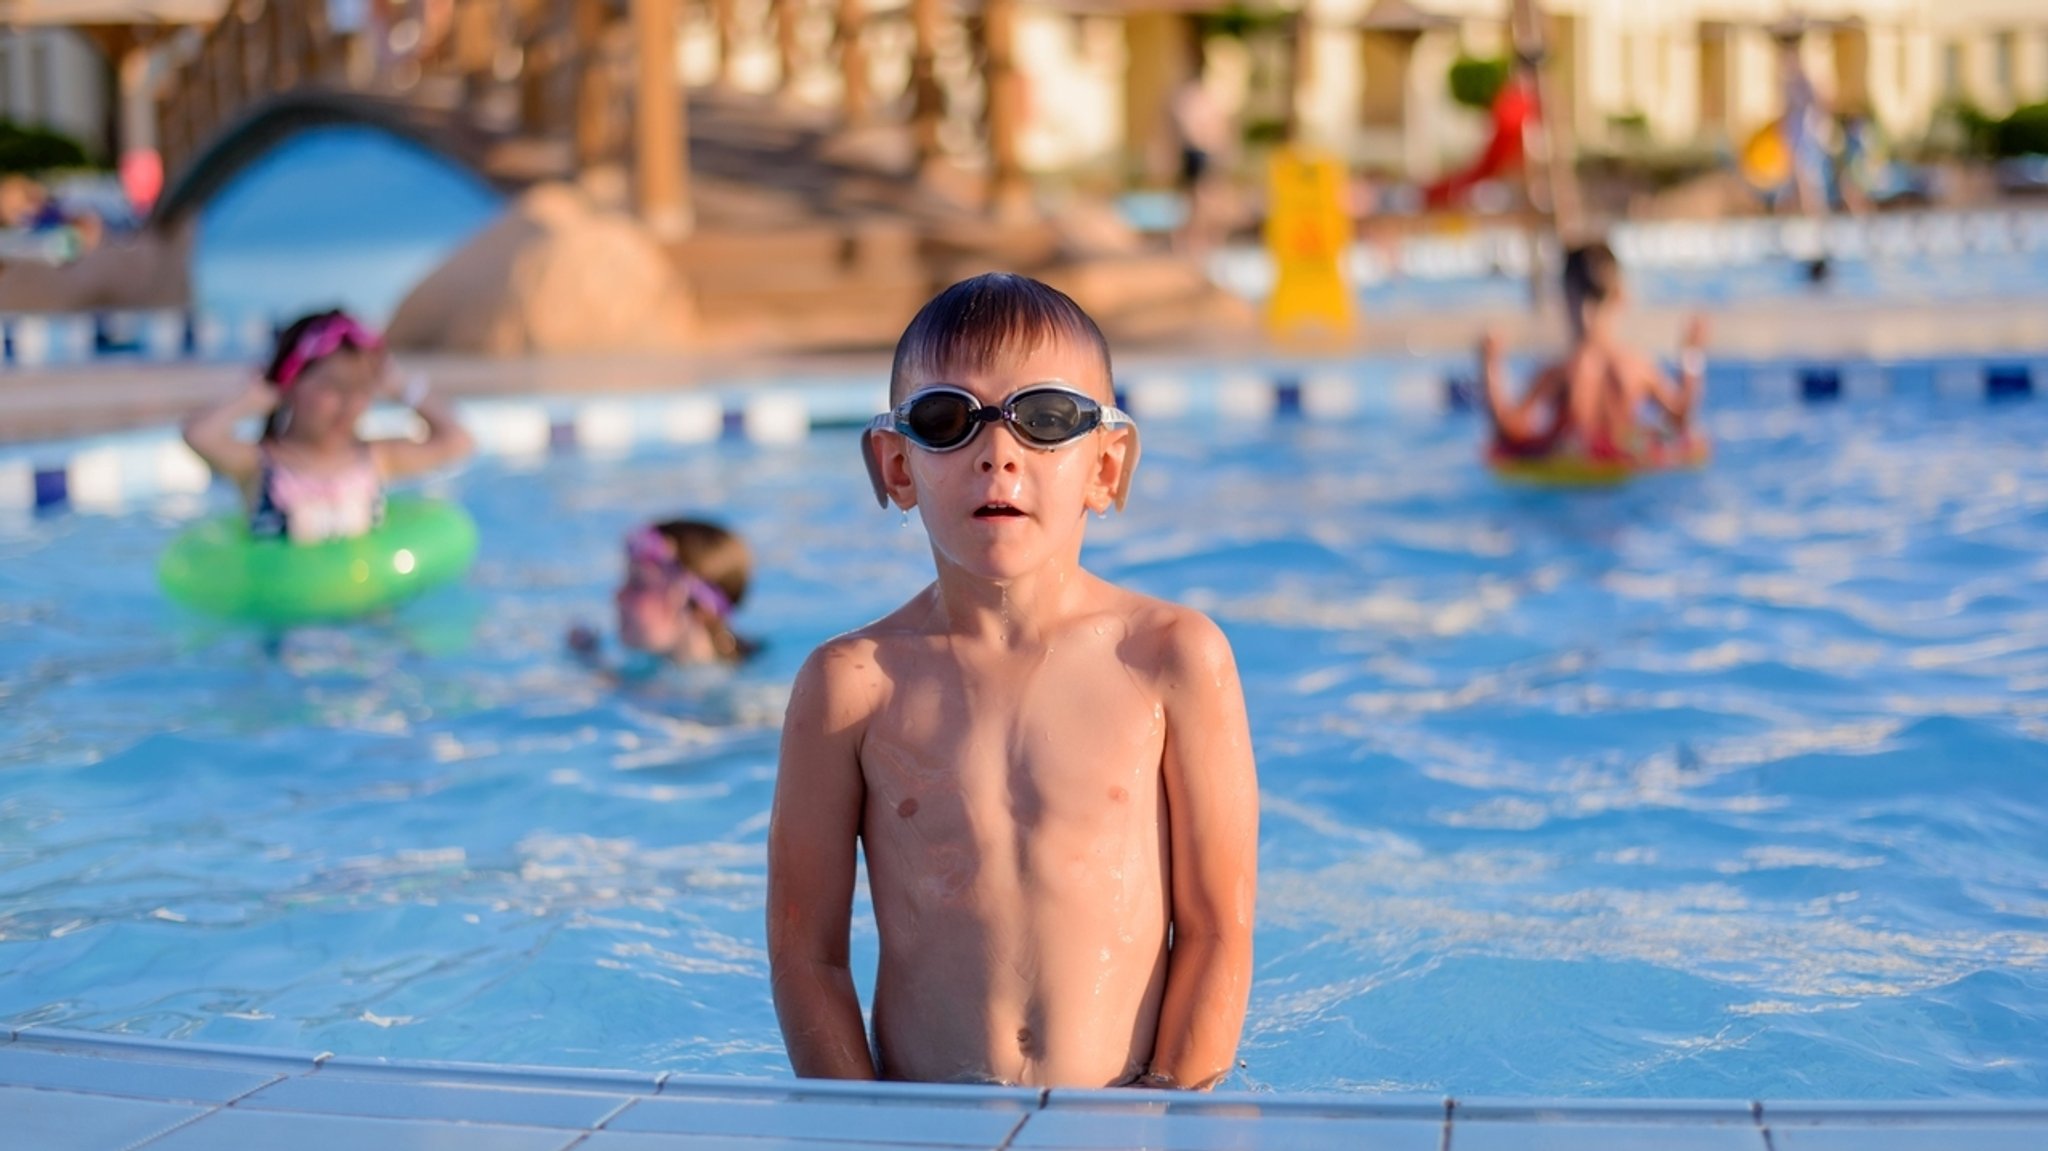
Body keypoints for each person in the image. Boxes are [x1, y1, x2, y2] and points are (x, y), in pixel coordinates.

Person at [766, 272, 1259, 1090]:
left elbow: (1218, 930)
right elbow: (804, 949)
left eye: (1046, 418)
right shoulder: (852, 686)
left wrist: (1168, 1117)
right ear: (895, 466)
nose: (998, 452)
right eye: (947, 420)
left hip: (1124, 1121)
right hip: (921, 1125)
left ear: (1108, 465)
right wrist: (859, 1127)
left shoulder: (1171, 658)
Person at [182, 309, 473, 544]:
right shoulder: (260, 464)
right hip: (286, 616)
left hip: (366, 613)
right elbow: (198, 436)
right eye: (332, 387)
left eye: (361, 389)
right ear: (291, 385)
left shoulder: (376, 458)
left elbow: (458, 441)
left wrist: (402, 387)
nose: (348, 404)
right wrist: (254, 398)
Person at [1481, 241, 1706, 463]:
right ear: (1620, 296)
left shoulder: (1561, 372)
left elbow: (1508, 429)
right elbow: (1680, 417)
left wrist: (1491, 363)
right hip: (1625, 470)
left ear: (1565, 298)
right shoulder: (1637, 367)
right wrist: (1691, 354)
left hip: (1572, 475)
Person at [566, 518, 757, 668]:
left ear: (698, 605)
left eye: (639, 584)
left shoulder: (729, 708)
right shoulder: (649, 676)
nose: (618, 596)